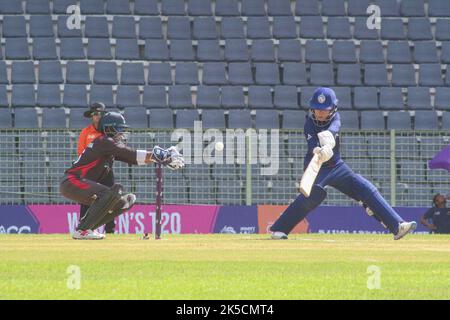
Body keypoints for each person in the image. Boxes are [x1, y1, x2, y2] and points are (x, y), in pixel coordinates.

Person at [270, 87, 417, 240]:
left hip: (337, 166)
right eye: (317, 109)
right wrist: (319, 151)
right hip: (317, 166)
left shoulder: (336, 118)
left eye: (324, 110)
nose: (320, 113)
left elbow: (332, 131)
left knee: (364, 187)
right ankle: (280, 230)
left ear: (333, 109)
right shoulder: (309, 124)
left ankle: (397, 226)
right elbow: (312, 143)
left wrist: (328, 144)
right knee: (312, 196)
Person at [60, 111, 185, 240]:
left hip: (76, 183)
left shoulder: (108, 145)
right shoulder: (104, 141)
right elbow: (132, 154)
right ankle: (82, 230)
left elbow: (134, 159)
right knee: (110, 193)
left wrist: (160, 158)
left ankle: (87, 228)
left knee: (124, 202)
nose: (121, 134)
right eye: (119, 129)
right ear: (108, 128)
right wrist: (162, 154)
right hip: (72, 181)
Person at [77, 102, 117, 233]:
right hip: (90, 170)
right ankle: (83, 227)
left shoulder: (109, 131)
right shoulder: (85, 132)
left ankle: (110, 229)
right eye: (95, 114)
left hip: (106, 169)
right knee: (86, 198)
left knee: (111, 198)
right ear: (91, 116)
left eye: (100, 114)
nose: (98, 116)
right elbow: (81, 153)